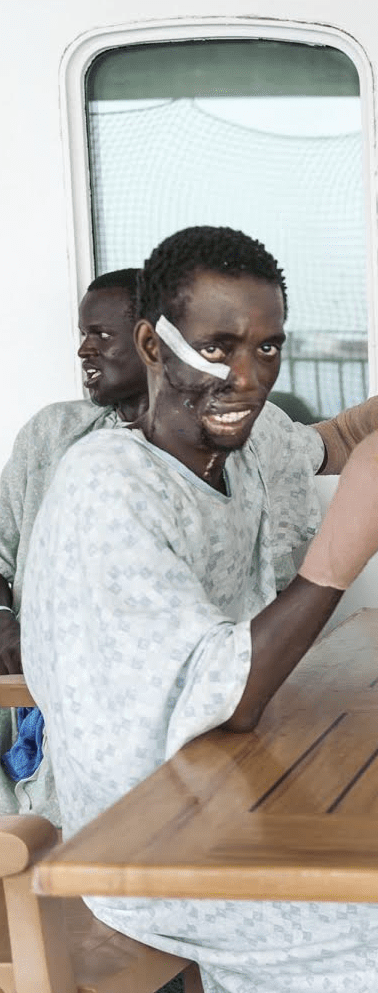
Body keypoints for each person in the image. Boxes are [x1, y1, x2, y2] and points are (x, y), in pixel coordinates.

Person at [21, 225, 378, 993]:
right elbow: (226, 701)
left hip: (246, 795)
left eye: (269, 348)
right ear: (154, 346)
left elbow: (343, 437)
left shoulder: (245, 446)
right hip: (145, 845)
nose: (248, 375)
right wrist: (348, 541)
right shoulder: (107, 491)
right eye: (218, 346)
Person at [0, 268, 148, 821]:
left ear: (154, 341)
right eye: (82, 334)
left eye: (100, 335)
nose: (84, 349)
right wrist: (3, 619)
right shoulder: (52, 435)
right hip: (27, 696)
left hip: (131, 719)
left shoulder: (206, 456)